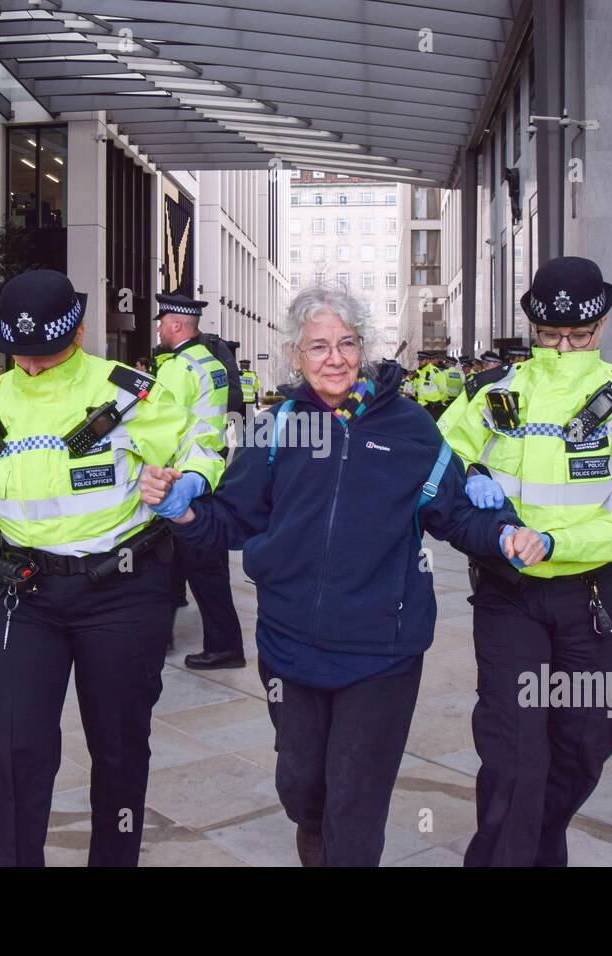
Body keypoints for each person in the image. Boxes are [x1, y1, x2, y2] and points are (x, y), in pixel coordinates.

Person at [140, 285, 517, 867]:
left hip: (382, 651)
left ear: (362, 348)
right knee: (301, 783)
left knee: (356, 800)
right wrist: (184, 511)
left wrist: (503, 531)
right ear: (295, 355)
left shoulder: (410, 426)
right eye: (318, 346)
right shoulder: (276, 428)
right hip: (289, 645)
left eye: (346, 343)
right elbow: (232, 520)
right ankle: (311, 829)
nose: (334, 358)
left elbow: (456, 511)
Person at [0, 269, 223, 867]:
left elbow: (198, 441)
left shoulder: (128, 391)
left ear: (79, 333)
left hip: (122, 593)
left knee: (118, 749)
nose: (31, 368)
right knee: (10, 749)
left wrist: (190, 477)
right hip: (22, 598)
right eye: (20, 356)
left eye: (46, 355)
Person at [439, 255, 612, 867]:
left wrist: (558, 542)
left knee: (581, 743)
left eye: (580, 336)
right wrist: (472, 478)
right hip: (509, 594)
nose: (566, 347)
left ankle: (536, 845)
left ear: (601, 327)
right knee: (514, 751)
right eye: (551, 337)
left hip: (594, 600)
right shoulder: (492, 392)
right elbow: (435, 460)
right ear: (533, 330)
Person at [153, 291, 246, 670]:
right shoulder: (211, 361)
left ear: (176, 324)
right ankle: (163, 635)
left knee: (202, 569)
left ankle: (225, 646)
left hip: (183, 476)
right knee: (180, 561)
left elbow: (160, 426)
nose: (158, 328)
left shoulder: (177, 368)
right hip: (207, 470)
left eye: (161, 322)